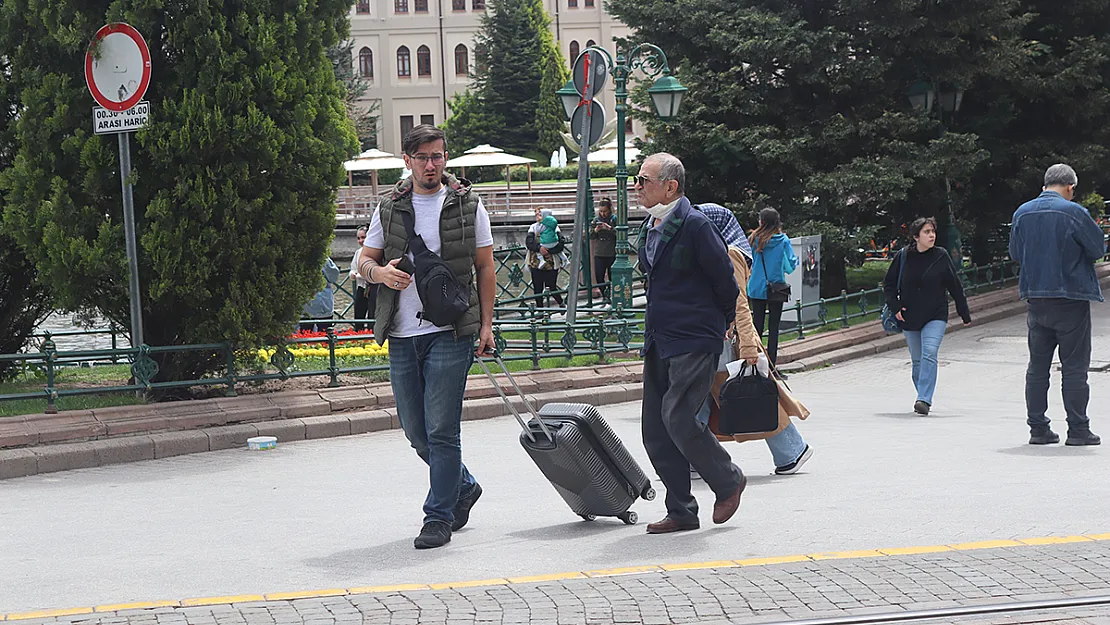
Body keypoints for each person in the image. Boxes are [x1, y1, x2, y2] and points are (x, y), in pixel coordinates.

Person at [359, 125, 497, 549]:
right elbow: (363, 260)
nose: (432, 165)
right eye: (424, 158)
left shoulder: (467, 205)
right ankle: (464, 485)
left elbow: (485, 268)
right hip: (402, 333)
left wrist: (487, 325)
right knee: (416, 432)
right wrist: (380, 273)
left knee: (441, 430)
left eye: (438, 156)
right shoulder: (389, 208)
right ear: (408, 161)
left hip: (450, 331)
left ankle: (437, 517)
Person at [634, 153, 746, 534]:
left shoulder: (696, 224)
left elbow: (725, 282)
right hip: (659, 337)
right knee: (654, 427)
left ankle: (728, 480)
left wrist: (723, 323)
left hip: (694, 336)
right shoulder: (650, 225)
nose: (637, 186)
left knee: (679, 417)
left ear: (670, 186)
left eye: (644, 180)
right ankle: (681, 509)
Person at [693, 203, 814, 475]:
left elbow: (738, 302)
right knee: (717, 397)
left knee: (743, 397)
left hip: (729, 341)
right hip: (717, 336)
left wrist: (747, 345)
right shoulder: (715, 251)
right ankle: (791, 452)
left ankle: (792, 451)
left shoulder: (729, 253)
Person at [1009, 163, 1105, 446]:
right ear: (1070, 187)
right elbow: (1098, 249)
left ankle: (1038, 429)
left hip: (1036, 299)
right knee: (1074, 367)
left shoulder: (1022, 212)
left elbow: (1016, 252)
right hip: (1070, 297)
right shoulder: (1075, 213)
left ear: (1044, 186)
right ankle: (1078, 429)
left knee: (1037, 367)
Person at [882, 217, 972, 416]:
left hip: (935, 314)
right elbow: (888, 284)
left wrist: (963, 312)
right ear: (916, 237)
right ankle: (922, 394)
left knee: (929, 352)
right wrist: (895, 306)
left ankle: (924, 399)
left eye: (932, 231)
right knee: (917, 361)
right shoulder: (903, 256)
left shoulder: (941, 256)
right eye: (926, 232)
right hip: (909, 315)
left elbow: (954, 285)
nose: (931, 235)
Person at [747, 208, 798, 365]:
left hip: (756, 287)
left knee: (757, 327)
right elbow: (790, 265)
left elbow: (747, 261)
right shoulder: (783, 241)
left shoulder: (753, 239)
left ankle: (757, 364)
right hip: (776, 288)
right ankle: (772, 366)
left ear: (761, 222)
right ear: (777, 223)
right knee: (774, 328)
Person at [527, 206, 565, 313]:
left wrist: (549, 250)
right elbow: (529, 242)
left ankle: (561, 303)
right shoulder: (533, 227)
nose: (538, 217)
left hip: (551, 262)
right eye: (536, 215)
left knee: (551, 285)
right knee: (537, 287)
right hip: (536, 262)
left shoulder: (555, 227)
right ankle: (540, 310)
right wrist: (539, 248)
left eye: (540, 214)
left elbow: (561, 243)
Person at [300, 257, 340, 333]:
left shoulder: (297, 256)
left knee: (304, 335)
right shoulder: (322, 258)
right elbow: (333, 277)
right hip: (322, 302)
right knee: (325, 334)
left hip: (303, 304)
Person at [349, 226, 377, 332]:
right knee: (358, 313)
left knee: (372, 314)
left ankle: (371, 336)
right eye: (358, 238)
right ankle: (358, 335)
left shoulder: (376, 251)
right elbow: (353, 268)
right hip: (361, 287)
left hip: (373, 287)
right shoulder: (358, 252)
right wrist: (352, 274)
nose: (361, 240)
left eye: (363, 237)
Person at [590, 197, 617, 301]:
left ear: (609, 210)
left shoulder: (614, 219)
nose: (603, 214)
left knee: (612, 276)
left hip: (611, 252)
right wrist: (596, 230)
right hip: (599, 252)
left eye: (605, 211)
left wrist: (609, 228)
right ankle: (605, 296)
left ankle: (612, 295)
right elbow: (591, 236)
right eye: (601, 211)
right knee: (599, 276)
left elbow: (621, 234)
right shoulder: (596, 220)